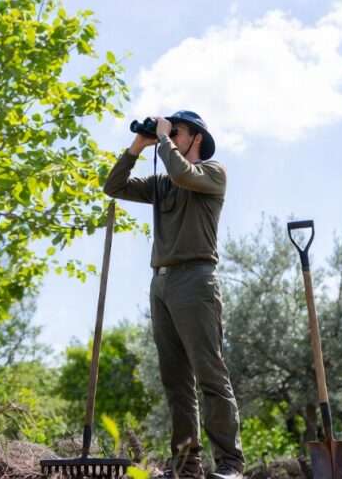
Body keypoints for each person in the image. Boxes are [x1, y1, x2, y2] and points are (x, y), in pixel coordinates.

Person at [103, 110, 244, 479]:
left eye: (176, 131)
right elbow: (113, 186)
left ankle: (230, 463)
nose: (169, 134)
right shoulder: (162, 184)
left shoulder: (213, 173)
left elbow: (184, 173)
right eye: (169, 131)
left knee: (209, 373)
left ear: (195, 137)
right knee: (175, 379)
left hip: (196, 280)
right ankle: (186, 465)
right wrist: (138, 144)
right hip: (161, 284)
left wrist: (163, 140)